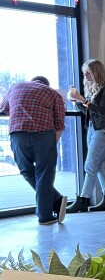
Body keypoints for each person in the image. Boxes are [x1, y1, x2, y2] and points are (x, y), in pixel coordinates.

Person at [0, 76, 67, 225]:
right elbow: (59, 124)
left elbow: (4, 109)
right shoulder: (52, 93)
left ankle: (56, 200)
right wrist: (51, 145)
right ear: (46, 84)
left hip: (18, 133)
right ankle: (46, 215)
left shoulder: (15, 87)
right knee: (44, 174)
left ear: (32, 81)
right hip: (44, 134)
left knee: (26, 171)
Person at [66, 60, 105, 213]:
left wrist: (83, 100)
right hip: (94, 129)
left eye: (88, 72)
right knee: (101, 166)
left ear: (97, 72)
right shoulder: (95, 90)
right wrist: (77, 102)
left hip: (104, 131)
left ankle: (83, 200)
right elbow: (91, 113)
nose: (85, 75)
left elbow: (104, 112)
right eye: (84, 72)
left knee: (90, 166)